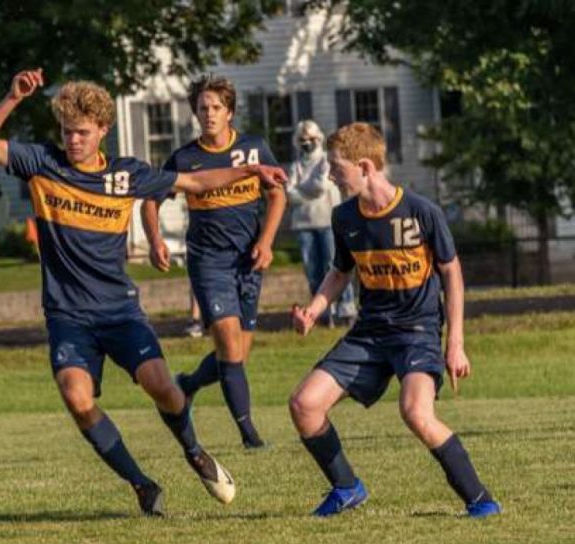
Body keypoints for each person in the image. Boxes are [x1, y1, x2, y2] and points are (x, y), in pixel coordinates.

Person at [0, 69, 286, 516]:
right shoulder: (42, 163)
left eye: (81, 132)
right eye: (66, 131)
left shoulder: (126, 175)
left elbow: (195, 183)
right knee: (77, 398)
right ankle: (142, 485)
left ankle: (194, 451)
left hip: (120, 312)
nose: (72, 140)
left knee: (166, 391)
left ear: (103, 130)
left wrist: (251, 169)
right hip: (68, 316)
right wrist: (11, 98)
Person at [288, 123, 500, 518]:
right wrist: (314, 310)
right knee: (304, 404)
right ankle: (347, 487)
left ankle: (480, 499)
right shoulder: (344, 217)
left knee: (416, 412)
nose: (331, 174)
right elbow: (339, 272)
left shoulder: (422, 212)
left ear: (365, 167)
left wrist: (455, 343)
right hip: (369, 333)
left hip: (417, 333)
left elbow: (452, 273)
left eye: (337, 166)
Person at [141, 74, 287, 449]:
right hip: (209, 262)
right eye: (202, 108)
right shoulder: (186, 158)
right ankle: (249, 434)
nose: (208, 114)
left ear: (230, 112)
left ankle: (187, 385)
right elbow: (151, 200)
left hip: (249, 261)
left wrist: (267, 242)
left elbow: (277, 196)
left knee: (236, 352)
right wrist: (156, 240)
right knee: (227, 340)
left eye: (216, 108)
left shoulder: (254, 149)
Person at [287, 120, 356, 325]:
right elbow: (288, 193)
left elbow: (321, 185)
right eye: (302, 139)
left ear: (319, 138)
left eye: (311, 139)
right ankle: (322, 313)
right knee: (312, 270)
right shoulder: (296, 165)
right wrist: (302, 191)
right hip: (303, 225)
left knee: (335, 267)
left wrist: (300, 189)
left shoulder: (326, 161)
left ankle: (346, 309)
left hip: (327, 221)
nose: (307, 142)